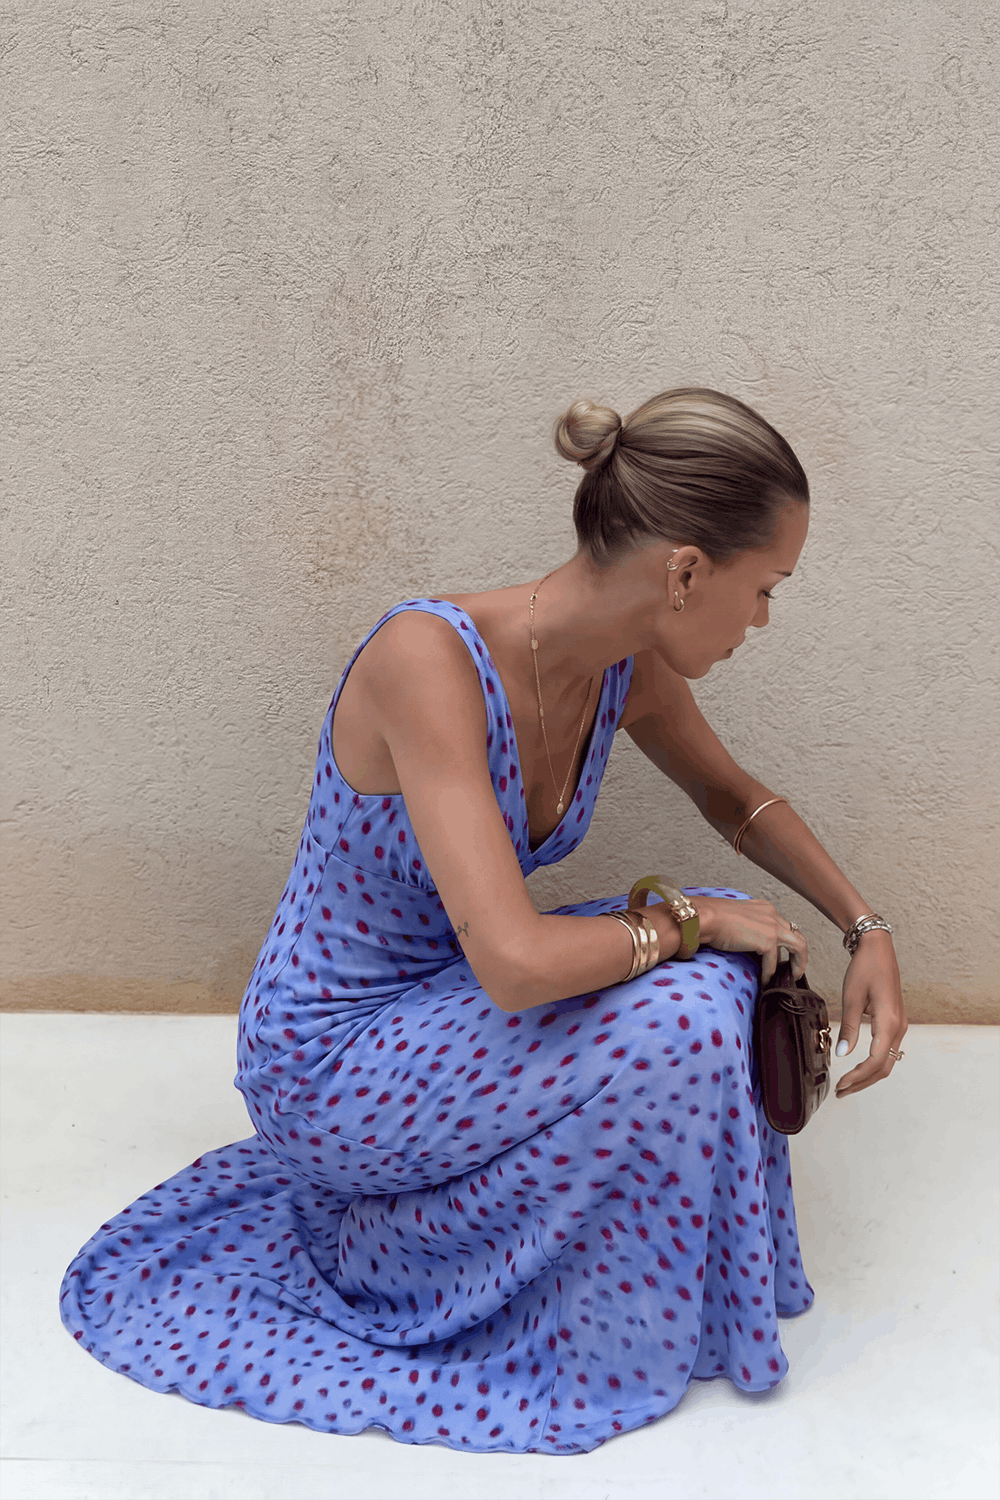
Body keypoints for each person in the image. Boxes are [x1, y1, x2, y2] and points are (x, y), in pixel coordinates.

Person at [60, 387, 907, 1455]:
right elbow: (513, 962)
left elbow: (732, 798)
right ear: (687, 571)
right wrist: (688, 920)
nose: (763, 622)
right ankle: (463, 1280)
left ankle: (617, 1289)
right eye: (765, 589)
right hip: (332, 1055)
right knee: (693, 994)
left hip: (448, 1010)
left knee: (727, 970)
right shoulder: (428, 661)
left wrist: (864, 926)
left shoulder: (624, 669)